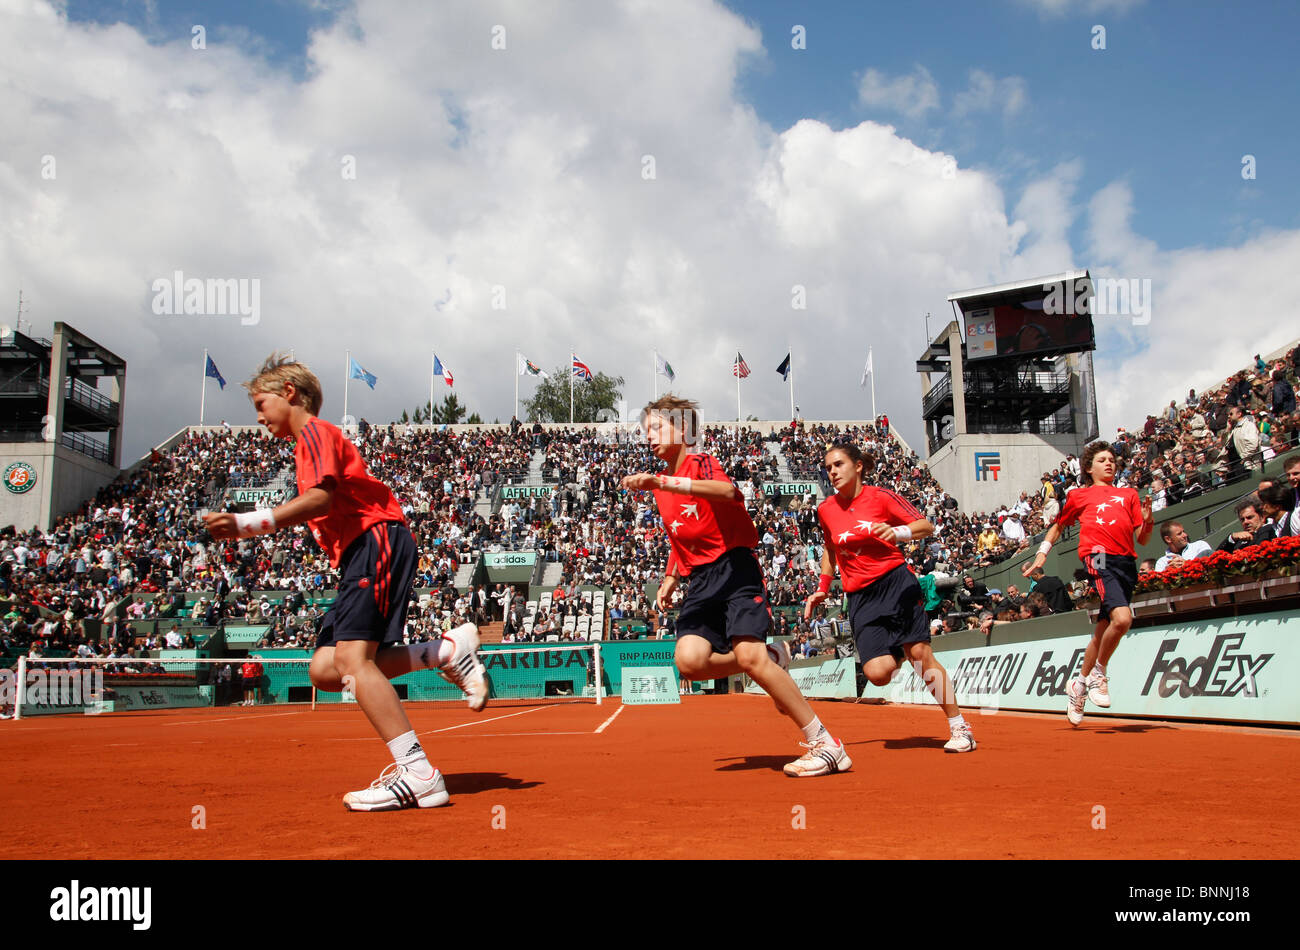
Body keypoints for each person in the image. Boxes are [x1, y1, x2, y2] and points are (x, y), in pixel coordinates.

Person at [204, 353, 489, 811]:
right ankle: (446, 652)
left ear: (289, 394)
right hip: (360, 553)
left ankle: (419, 774)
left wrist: (248, 523)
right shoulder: (307, 444)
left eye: (261, 402)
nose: (258, 417)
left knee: (354, 661)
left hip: (374, 542)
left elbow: (319, 499)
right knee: (326, 671)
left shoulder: (314, 433)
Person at [621, 395, 850, 778]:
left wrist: (664, 481)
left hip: (734, 567)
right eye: (646, 431)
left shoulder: (699, 462)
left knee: (750, 656)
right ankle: (773, 658)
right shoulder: (660, 489)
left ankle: (826, 744)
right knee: (689, 661)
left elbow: (728, 493)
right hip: (699, 580)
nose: (649, 437)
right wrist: (671, 576)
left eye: (657, 427)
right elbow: (682, 537)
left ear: (684, 430)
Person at [805, 442, 976, 753]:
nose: (832, 472)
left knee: (921, 657)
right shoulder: (825, 509)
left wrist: (898, 533)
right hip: (859, 596)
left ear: (857, 466)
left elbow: (926, 525)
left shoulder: (881, 497)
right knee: (877, 673)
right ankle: (900, 647)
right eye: (828, 467)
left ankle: (959, 727)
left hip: (895, 584)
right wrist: (823, 586)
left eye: (839, 464)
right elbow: (830, 550)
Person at [1023, 441, 1153, 726]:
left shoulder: (1129, 494)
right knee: (1122, 619)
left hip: (1125, 563)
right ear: (1089, 467)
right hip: (1098, 558)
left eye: (1112, 460)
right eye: (1103, 460)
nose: (1109, 463)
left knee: (1105, 627)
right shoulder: (1080, 496)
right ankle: (1098, 674)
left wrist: (1148, 520)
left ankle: (1079, 685)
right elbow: (1057, 526)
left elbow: (1142, 538)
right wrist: (1041, 555)